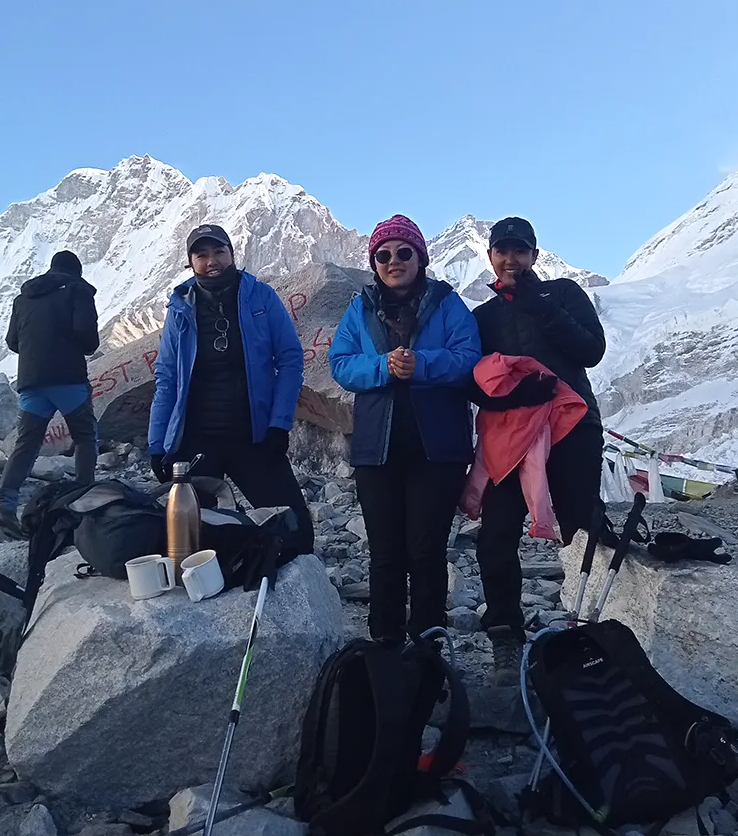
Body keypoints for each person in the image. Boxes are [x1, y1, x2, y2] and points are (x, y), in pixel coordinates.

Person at [329, 215, 481, 645]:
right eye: (383, 254)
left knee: (426, 550)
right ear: (374, 262)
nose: (393, 261)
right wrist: (382, 366)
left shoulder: (448, 303)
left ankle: (429, 649)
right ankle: (386, 649)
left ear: (420, 257)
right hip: (377, 449)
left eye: (403, 252)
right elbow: (340, 363)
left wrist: (423, 364)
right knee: (385, 553)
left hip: (438, 449)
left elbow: (470, 356)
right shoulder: (359, 307)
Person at [470, 216, 609, 684]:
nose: (511, 259)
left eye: (521, 250)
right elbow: (470, 380)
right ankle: (506, 636)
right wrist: (510, 399)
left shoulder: (564, 294)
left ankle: (606, 627)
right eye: (502, 251)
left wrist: (539, 304)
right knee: (496, 533)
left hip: (574, 427)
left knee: (585, 522)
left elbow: (590, 349)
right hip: (513, 439)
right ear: (490, 257)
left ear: (534, 255)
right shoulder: (483, 318)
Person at [148, 223, 314, 556]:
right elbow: (166, 376)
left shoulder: (261, 297)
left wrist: (279, 425)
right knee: (197, 541)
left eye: (219, 252)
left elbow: (291, 359)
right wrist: (157, 444)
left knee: (296, 530)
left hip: (253, 438)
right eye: (202, 254)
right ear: (190, 262)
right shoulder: (180, 307)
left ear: (232, 254)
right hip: (198, 443)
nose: (212, 261)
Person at [0, 250, 101, 538]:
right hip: (68, 380)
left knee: (26, 444)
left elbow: (12, 342)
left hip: (31, 383)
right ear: (75, 272)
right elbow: (88, 337)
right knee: (85, 437)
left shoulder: (23, 297)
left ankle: (4, 507)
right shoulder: (78, 290)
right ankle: (83, 501)